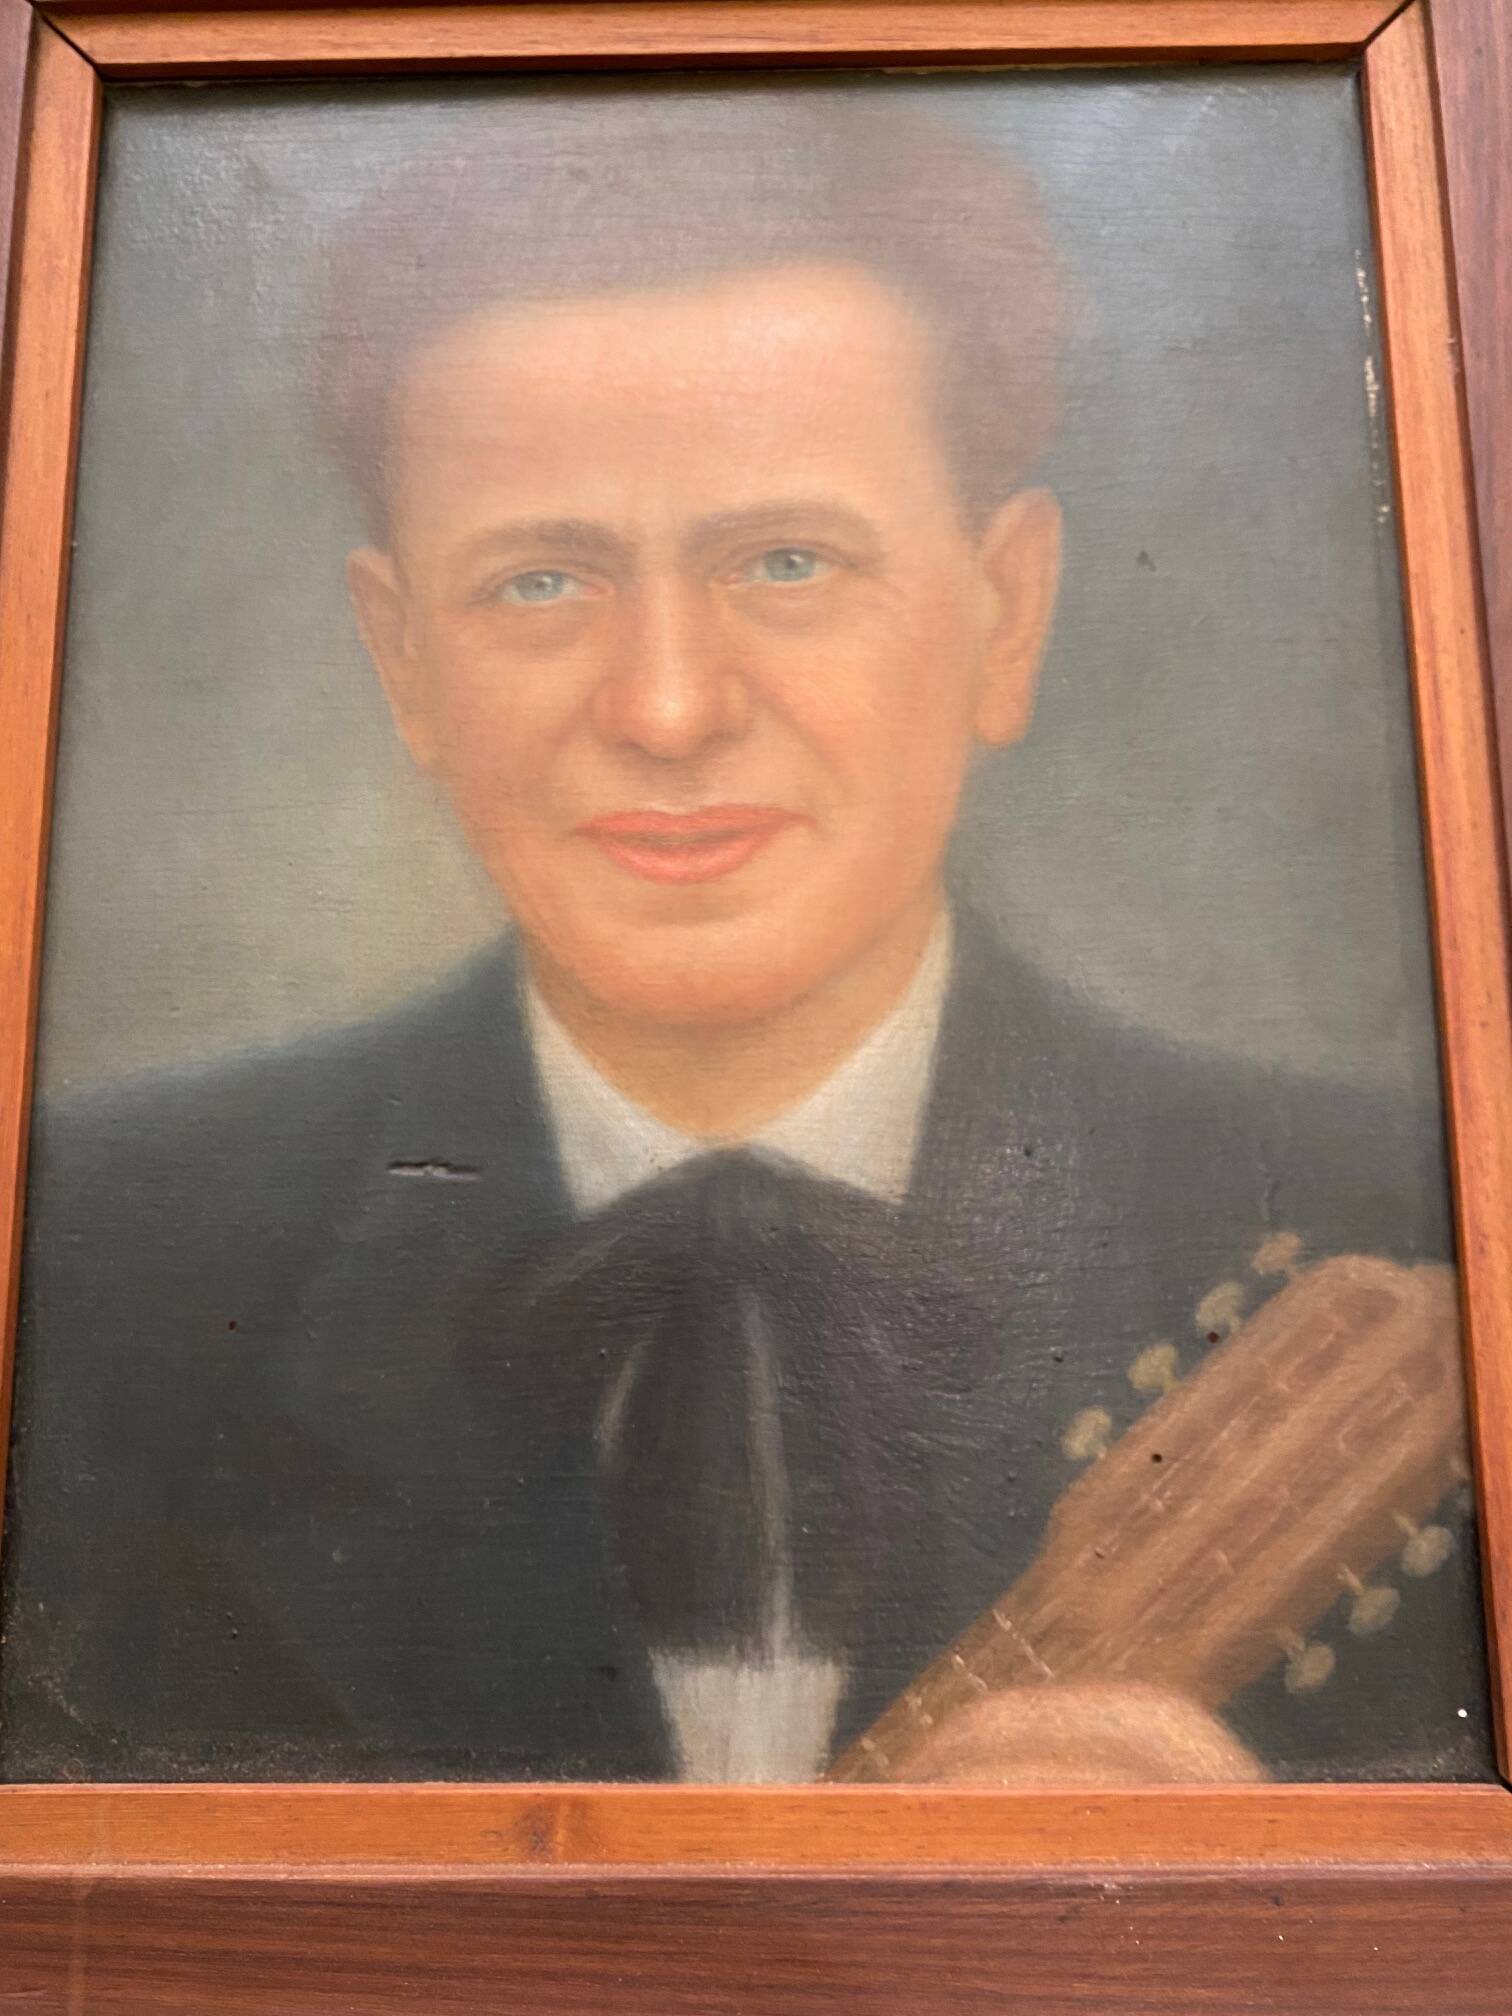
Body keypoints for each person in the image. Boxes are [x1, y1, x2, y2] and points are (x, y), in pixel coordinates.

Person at [0, 93, 1486, 1787]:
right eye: (541, 582)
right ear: (403, 662)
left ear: (1006, 613)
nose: (668, 707)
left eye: (788, 559)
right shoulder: (83, 1260)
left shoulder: (1411, 1208)